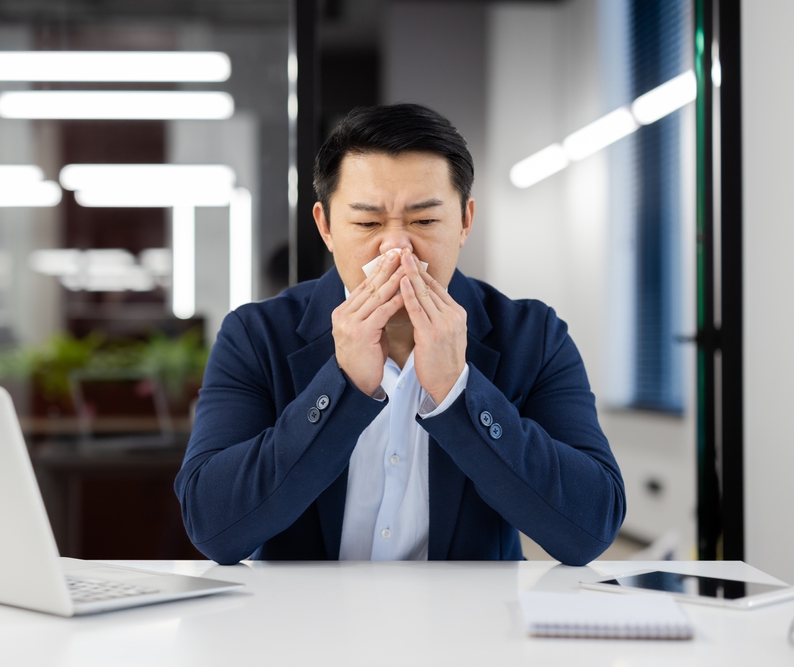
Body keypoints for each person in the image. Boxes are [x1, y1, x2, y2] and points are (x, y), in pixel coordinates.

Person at [175, 103, 625, 566]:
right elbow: (214, 528)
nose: (396, 247)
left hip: (471, 628)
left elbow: (589, 530)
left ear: (465, 221)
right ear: (326, 227)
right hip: (303, 629)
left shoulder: (533, 336)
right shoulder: (256, 335)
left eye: (425, 221)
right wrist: (342, 386)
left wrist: (457, 392)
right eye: (368, 223)